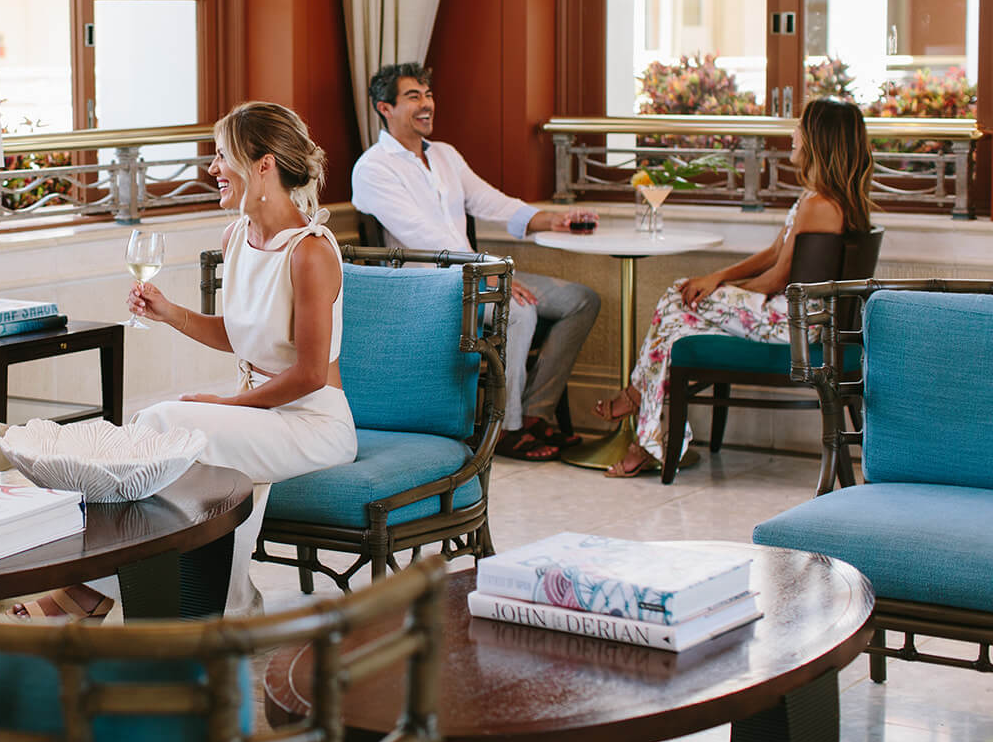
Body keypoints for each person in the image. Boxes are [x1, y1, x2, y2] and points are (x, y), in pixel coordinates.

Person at [129, 102, 357, 614]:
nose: (212, 169)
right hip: (263, 417)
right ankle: (207, 600)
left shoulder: (311, 251)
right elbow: (239, 335)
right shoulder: (236, 237)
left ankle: (86, 597)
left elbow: (310, 375)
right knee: (166, 435)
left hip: (313, 425)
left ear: (264, 165)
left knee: (162, 420)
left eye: (221, 155)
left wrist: (230, 405)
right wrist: (167, 311)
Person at [597, 97, 875, 478]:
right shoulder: (819, 198)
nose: (793, 136)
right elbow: (774, 253)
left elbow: (777, 278)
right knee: (678, 323)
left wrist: (723, 288)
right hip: (791, 315)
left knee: (676, 296)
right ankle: (646, 437)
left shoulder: (821, 205)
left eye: (800, 129)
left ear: (819, 140)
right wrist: (720, 280)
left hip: (792, 325)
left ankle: (638, 405)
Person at [350, 62, 601, 462]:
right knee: (518, 312)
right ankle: (505, 428)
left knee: (582, 300)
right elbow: (421, 236)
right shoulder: (373, 169)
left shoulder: (445, 155)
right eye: (413, 97)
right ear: (385, 108)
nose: (426, 104)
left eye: (428, 94)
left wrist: (549, 219)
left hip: (476, 274)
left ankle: (536, 412)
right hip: (427, 290)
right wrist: (489, 272)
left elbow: (489, 201)